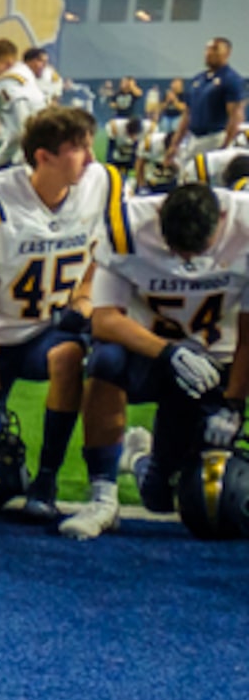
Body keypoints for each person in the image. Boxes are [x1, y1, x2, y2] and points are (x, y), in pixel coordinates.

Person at [0, 105, 115, 522]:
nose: (91, 159)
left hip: (49, 329)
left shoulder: (101, 183)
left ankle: (47, 478)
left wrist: (84, 300)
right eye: (79, 149)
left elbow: (100, 253)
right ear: (43, 156)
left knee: (68, 356)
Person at [67, 181, 249, 538]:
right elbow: (104, 320)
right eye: (177, 249)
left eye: (198, 250)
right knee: (105, 360)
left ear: (222, 219)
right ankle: (102, 495)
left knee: (164, 498)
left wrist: (233, 403)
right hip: (149, 355)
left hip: (214, 365)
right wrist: (169, 352)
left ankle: (139, 457)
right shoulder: (127, 228)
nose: (186, 262)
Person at [0, 38, 47, 173]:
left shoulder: (6, 85)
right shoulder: (24, 74)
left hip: (27, 156)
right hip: (44, 149)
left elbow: (19, 132)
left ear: (8, 65)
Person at [171, 36, 246, 158]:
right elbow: (187, 114)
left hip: (215, 138)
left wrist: (226, 146)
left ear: (227, 53)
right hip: (193, 138)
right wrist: (175, 144)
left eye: (215, 49)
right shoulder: (198, 80)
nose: (209, 53)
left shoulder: (232, 80)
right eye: (207, 49)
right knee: (187, 175)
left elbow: (236, 117)